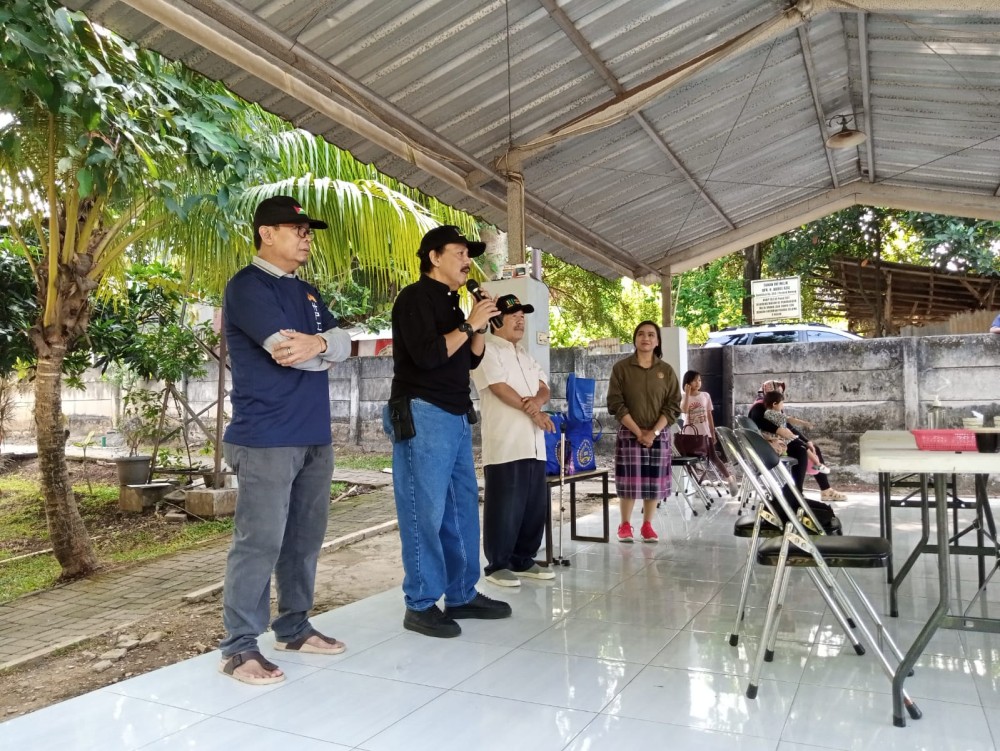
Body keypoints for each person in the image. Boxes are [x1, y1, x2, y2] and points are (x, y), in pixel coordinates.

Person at [218, 195, 353, 685]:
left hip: (314, 435)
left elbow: (344, 345)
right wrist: (324, 348)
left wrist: (322, 343)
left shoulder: (309, 293)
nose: (306, 238)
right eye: (297, 230)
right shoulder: (247, 287)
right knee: (260, 542)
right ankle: (238, 647)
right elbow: (285, 352)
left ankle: (293, 627)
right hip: (266, 437)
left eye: (308, 232)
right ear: (266, 233)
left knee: (303, 540)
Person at [384, 225, 512, 638]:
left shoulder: (454, 305)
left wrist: (479, 325)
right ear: (434, 257)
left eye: (468, 254)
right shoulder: (414, 299)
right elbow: (426, 356)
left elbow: (469, 361)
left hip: (456, 415)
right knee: (424, 511)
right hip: (423, 413)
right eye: (459, 252)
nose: (467, 261)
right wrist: (469, 324)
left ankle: (460, 593)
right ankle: (420, 603)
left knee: (461, 511)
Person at [471, 293, 556, 587]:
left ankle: (523, 560)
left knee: (533, 507)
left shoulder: (526, 355)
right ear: (496, 320)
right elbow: (498, 387)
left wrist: (537, 403)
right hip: (505, 444)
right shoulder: (486, 351)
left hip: (534, 444)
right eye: (514, 316)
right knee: (505, 507)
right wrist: (533, 411)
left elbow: (544, 387)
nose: (520, 321)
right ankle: (498, 565)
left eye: (522, 316)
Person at [606, 321, 681, 543]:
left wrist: (653, 432)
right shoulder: (621, 368)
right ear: (635, 339)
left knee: (653, 482)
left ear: (657, 341)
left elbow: (673, 405)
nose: (645, 338)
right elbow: (615, 403)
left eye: (650, 334)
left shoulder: (666, 371)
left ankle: (648, 526)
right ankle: (624, 525)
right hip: (630, 432)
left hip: (659, 433)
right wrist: (639, 432)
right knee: (629, 482)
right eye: (641, 334)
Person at [748, 380, 847, 502]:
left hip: (781, 442)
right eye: (778, 392)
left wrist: (807, 440)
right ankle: (797, 493)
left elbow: (789, 427)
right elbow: (758, 421)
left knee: (812, 448)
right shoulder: (758, 407)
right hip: (768, 445)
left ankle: (826, 490)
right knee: (801, 450)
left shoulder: (775, 408)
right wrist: (778, 430)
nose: (781, 395)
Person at [680, 370, 739, 495]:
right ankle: (697, 486)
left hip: (705, 433)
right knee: (690, 461)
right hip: (689, 435)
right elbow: (684, 410)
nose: (698, 383)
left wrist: (712, 432)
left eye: (699, 380)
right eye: (694, 380)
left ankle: (729, 479)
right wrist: (687, 394)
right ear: (687, 382)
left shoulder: (705, 395)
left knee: (713, 457)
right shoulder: (684, 396)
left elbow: (709, 415)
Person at [762, 391, 829, 474]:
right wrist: (804, 423)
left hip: (782, 437)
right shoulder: (770, 413)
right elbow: (789, 419)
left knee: (804, 445)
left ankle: (817, 463)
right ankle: (817, 464)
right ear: (774, 404)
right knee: (803, 446)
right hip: (779, 438)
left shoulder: (772, 413)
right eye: (782, 403)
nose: (783, 406)